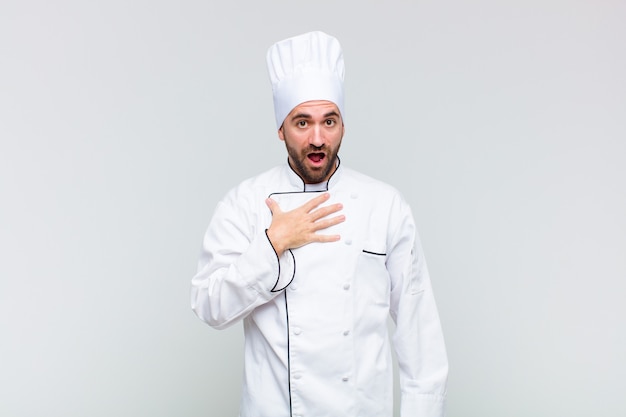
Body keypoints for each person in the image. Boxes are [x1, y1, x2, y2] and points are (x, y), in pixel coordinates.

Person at [191, 31, 448, 417]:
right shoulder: (244, 203)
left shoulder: (384, 205)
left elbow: (419, 330)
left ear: (342, 125)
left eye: (329, 122)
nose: (317, 138)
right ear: (281, 129)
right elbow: (209, 306)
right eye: (302, 123)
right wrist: (271, 245)